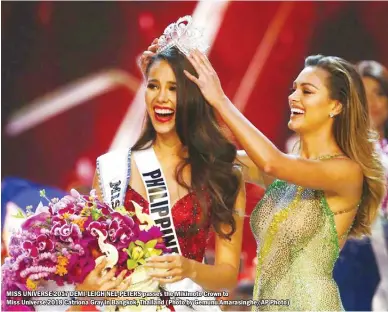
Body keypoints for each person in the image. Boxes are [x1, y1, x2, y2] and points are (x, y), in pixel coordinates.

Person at [173, 49, 385, 310]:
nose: (293, 97)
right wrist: (175, 84)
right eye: (294, 89)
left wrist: (221, 100)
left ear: (336, 105)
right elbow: (209, 156)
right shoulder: (289, 172)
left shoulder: (346, 171)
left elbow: (271, 162)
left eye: (307, 91)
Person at [89, 16, 246, 311]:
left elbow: (226, 275)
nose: (161, 98)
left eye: (174, 88)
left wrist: (188, 269)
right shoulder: (113, 169)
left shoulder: (221, 176)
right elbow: (91, 256)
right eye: (153, 86)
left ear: (194, 97)